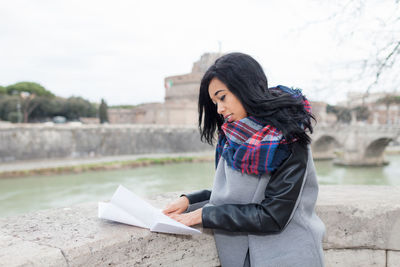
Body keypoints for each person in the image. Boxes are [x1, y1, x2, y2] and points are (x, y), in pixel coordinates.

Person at [162, 52, 325, 267]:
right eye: (214, 102)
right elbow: (240, 197)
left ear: (245, 88)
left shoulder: (288, 139)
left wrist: (205, 214)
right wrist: (190, 201)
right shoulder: (231, 139)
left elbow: (273, 215)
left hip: (290, 257)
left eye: (222, 97)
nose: (219, 109)